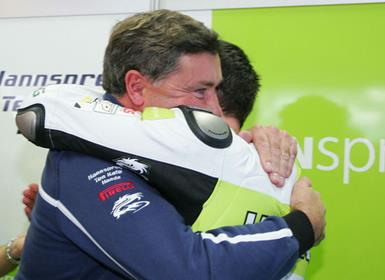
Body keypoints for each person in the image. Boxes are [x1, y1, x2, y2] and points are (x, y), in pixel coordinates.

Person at [16, 10, 325, 279]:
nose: (216, 109)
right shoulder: (83, 161)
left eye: (216, 90)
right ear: (137, 87)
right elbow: (186, 271)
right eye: (201, 91)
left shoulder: (168, 149)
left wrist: (254, 148)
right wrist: (302, 226)